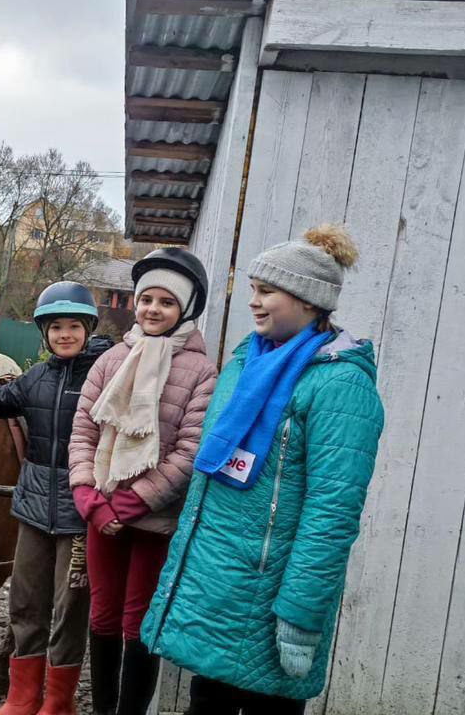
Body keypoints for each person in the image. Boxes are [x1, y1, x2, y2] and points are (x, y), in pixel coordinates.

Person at [140, 225, 385, 714]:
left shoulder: (341, 386)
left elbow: (332, 513)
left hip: (271, 597)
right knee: (205, 703)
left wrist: (300, 612)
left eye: (266, 291)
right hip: (218, 588)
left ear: (308, 301)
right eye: (253, 289)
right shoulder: (243, 364)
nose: (253, 302)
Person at [68, 249, 218, 715]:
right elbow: (83, 432)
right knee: (103, 615)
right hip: (100, 514)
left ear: (186, 309)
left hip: (152, 520)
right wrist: (89, 498)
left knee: (139, 622)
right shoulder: (110, 360)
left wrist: (130, 505)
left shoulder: (201, 372)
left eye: (166, 302)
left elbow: (190, 452)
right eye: (146, 299)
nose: (153, 309)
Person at [0, 281, 114, 715]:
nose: (65, 334)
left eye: (74, 326)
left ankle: (58, 701)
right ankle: (22, 696)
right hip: (33, 510)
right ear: (44, 332)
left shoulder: (105, 376)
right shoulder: (38, 376)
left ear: (88, 329)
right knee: (25, 602)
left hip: (78, 513)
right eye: (56, 327)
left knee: (68, 610)